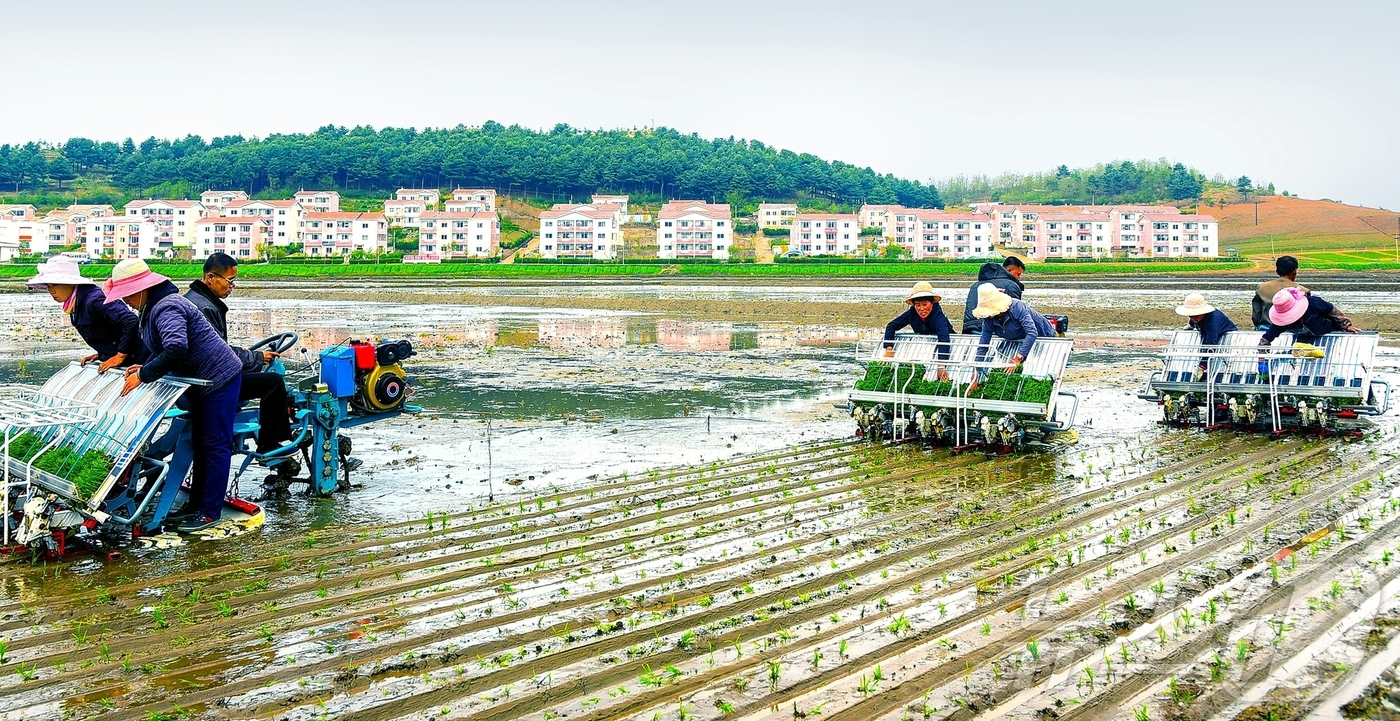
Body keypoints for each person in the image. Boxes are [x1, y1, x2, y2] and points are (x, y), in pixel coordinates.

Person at [103, 258, 243, 533]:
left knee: (215, 446)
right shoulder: (153, 306)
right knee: (202, 444)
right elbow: (163, 346)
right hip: (200, 380)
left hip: (219, 379)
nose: (127, 302)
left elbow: (176, 348)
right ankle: (196, 506)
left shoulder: (166, 306)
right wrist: (145, 365)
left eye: (127, 295)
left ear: (140, 289)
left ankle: (208, 512)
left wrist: (143, 376)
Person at [185, 253, 291, 455]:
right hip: (211, 381)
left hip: (198, 376)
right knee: (273, 382)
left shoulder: (193, 299)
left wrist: (250, 356)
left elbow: (216, 347)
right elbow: (218, 353)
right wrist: (258, 358)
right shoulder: (205, 307)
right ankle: (270, 444)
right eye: (230, 280)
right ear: (210, 278)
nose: (232, 286)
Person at [26, 256, 144, 372]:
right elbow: (107, 330)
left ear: (71, 283)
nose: (51, 290)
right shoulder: (74, 304)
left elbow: (130, 320)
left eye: (55, 284)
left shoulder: (94, 300)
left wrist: (120, 355)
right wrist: (103, 354)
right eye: (48, 286)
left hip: (141, 358)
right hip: (125, 359)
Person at [970, 282, 1056, 376]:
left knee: (1039, 369)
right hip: (1018, 337)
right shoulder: (988, 318)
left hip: (1044, 337)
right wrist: (976, 373)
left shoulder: (1017, 307)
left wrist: (1017, 358)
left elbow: (1032, 333)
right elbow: (983, 344)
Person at [883, 282, 953, 379]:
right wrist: (889, 348)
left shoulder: (938, 317)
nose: (921, 309)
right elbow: (891, 326)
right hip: (925, 348)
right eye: (917, 305)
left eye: (925, 304)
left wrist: (941, 366)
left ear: (932, 303)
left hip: (947, 349)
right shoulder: (911, 313)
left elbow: (944, 339)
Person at [1260, 287, 1358, 345]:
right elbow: (1271, 333)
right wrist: (1263, 345)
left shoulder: (1313, 303)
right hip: (1303, 338)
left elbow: (1332, 310)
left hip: (1328, 333)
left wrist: (1346, 325)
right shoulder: (1282, 322)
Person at [1175, 293, 1238, 381]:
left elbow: (1211, 344)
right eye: (1191, 315)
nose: (1194, 317)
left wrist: (1202, 367)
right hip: (1208, 335)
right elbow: (1193, 321)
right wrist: (1190, 325)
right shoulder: (1195, 318)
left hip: (1227, 339)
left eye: (1196, 315)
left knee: (1217, 363)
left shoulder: (1212, 321)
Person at [962, 256, 1024, 335]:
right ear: (1009, 270)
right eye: (1018, 274)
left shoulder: (975, 286)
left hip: (970, 328)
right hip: (994, 330)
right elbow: (1014, 315)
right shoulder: (1011, 285)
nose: (1019, 278)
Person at [1252, 255, 1307, 329]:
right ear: (1294, 272)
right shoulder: (1303, 291)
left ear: (1277, 271)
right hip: (1292, 331)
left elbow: (1256, 315)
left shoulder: (1262, 287)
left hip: (1265, 328)